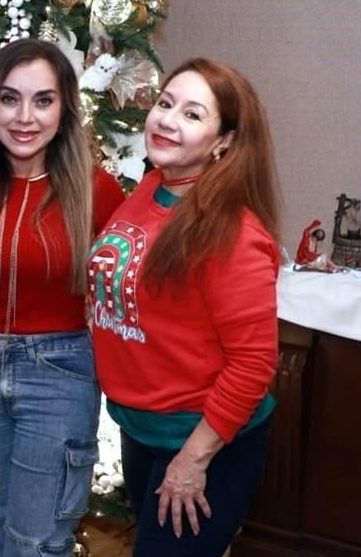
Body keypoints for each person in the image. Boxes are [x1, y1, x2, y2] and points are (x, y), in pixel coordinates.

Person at [88, 58, 280, 556]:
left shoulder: (233, 234)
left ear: (225, 142)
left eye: (194, 114)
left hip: (200, 442)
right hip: (140, 428)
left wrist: (192, 461)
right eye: (165, 104)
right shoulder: (151, 188)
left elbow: (254, 363)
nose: (168, 120)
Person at [0, 39, 125, 556]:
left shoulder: (96, 191)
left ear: (64, 108)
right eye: (9, 99)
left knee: (36, 543)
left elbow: (145, 275)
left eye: (42, 100)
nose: (25, 117)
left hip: (59, 375)